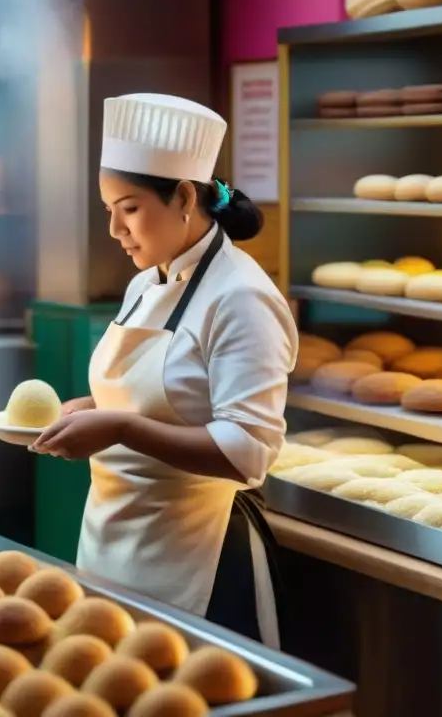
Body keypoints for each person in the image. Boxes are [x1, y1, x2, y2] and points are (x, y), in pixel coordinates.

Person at [32, 93, 298, 647]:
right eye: (108, 209)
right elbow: (148, 395)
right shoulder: (144, 281)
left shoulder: (242, 297)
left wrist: (120, 428)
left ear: (182, 197)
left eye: (127, 207)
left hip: (199, 562)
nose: (113, 228)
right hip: (115, 547)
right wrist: (92, 408)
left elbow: (248, 449)